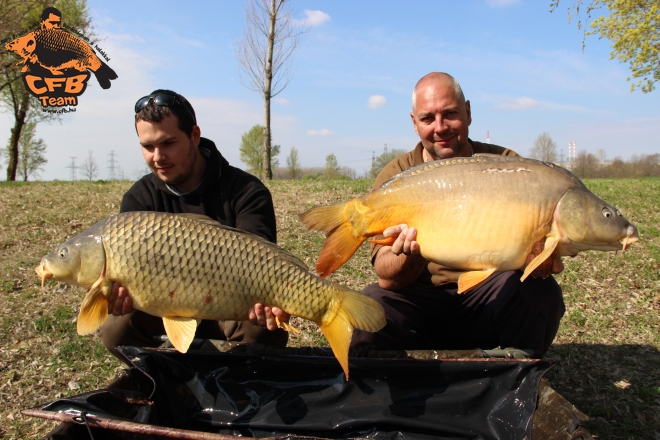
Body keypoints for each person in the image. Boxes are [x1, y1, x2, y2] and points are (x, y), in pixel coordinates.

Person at [351, 72, 566, 358]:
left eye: (450, 113)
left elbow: (541, 253)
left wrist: (540, 258)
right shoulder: (396, 177)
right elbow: (388, 279)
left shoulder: (509, 167)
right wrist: (410, 253)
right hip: (418, 302)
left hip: (488, 297)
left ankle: (518, 379)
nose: (440, 127)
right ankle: (394, 394)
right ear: (414, 124)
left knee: (541, 293)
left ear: (467, 112)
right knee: (371, 306)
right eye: (428, 118)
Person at [100, 89, 288, 361]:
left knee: (264, 330)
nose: (157, 157)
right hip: (162, 306)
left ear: (195, 136)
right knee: (116, 329)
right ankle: (167, 380)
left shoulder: (246, 191)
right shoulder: (139, 199)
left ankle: (237, 387)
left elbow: (260, 264)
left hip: (229, 303)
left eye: (168, 143)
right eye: (148, 147)